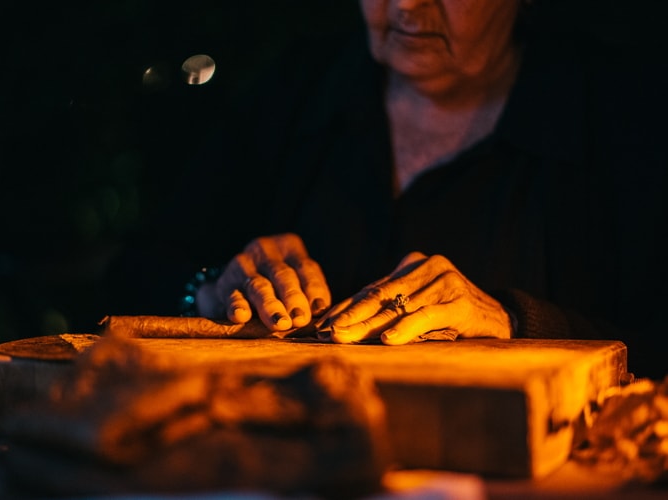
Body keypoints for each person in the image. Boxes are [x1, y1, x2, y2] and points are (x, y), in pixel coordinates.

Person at [113, 0, 668, 380]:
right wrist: (211, 293)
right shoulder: (299, 91)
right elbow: (134, 270)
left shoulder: (624, 115)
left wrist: (515, 323)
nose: (405, 5)